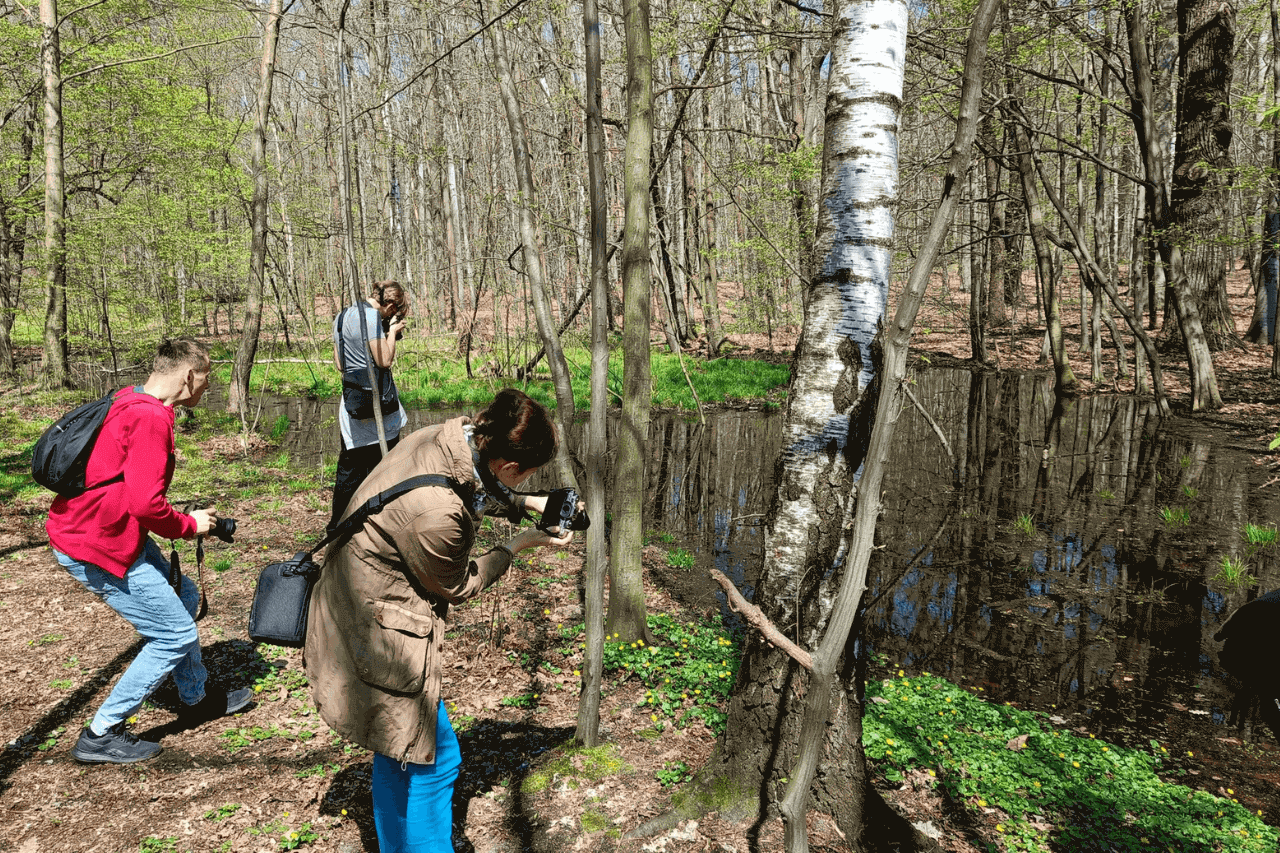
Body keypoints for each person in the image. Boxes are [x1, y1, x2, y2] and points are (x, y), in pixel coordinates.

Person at [305, 388, 574, 853]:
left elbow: (468, 485)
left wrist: (528, 501)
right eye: (525, 475)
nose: (524, 480)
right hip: (377, 629)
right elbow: (459, 584)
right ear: (508, 467)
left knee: (397, 750)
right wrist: (518, 545)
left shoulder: (442, 438)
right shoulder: (437, 514)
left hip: (350, 604)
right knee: (437, 760)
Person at [47, 338, 254, 765]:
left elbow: (128, 486)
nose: (208, 387)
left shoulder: (128, 399)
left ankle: (195, 698)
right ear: (189, 375)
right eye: (208, 377)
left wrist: (180, 519)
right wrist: (187, 525)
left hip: (109, 532)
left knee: (186, 598)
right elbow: (145, 504)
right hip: (98, 544)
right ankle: (101, 733)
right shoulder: (150, 418)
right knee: (175, 632)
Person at [329, 280, 410, 534]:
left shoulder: (341, 318)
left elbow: (341, 365)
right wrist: (393, 333)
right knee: (387, 467)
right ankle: (384, 525)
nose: (391, 317)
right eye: (393, 313)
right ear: (390, 305)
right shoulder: (372, 317)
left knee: (349, 469)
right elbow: (384, 360)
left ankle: (339, 526)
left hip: (352, 406)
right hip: (377, 406)